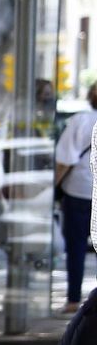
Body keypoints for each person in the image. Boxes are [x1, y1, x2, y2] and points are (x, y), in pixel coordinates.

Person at [54, 82, 97, 312]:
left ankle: (73, 301)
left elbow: (65, 160)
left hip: (79, 191)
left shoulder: (81, 120)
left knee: (77, 246)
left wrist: (54, 187)